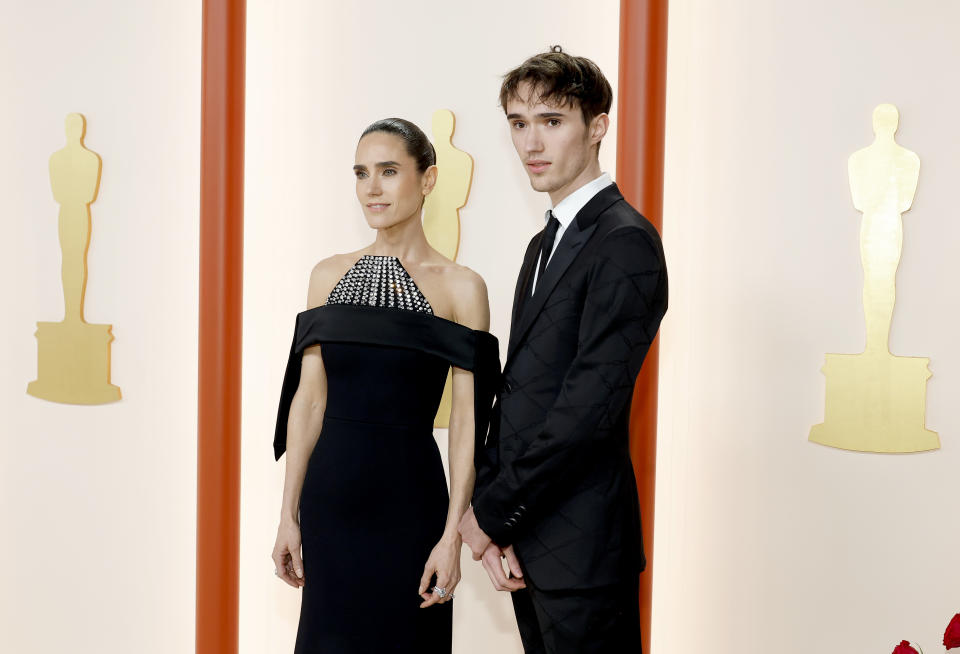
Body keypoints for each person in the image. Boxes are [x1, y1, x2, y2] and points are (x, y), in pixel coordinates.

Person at [458, 47, 668, 653]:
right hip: (531, 538)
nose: (532, 143)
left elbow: (586, 410)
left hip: (582, 550)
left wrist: (494, 515)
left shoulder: (625, 241)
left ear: (597, 126)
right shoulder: (543, 243)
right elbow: (520, 390)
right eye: (519, 124)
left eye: (553, 121)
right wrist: (498, 519)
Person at [271, 117, 500, 653]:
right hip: (332, 503)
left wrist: (451, 535)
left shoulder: (462, 288)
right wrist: (287, 514)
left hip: (410, 505)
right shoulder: (327, 275)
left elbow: (469, 421)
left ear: (427, 180)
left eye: (389, 171)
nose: (372, 188)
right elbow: (309, 400)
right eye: (361, 173)